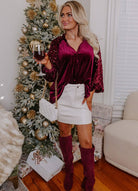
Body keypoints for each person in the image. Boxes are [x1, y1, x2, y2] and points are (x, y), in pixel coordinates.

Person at [40, 1, 104, 190]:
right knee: (65, 133)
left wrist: (91, 94)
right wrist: (46, 63)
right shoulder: (57, 44)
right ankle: (69, 170)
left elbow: (97, 69)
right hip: (63, 95)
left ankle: (89, 179)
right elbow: (52, 75)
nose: (65, 19)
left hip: (82, 96)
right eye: (62, 15)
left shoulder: (91, 41)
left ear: (78, 16)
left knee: (86, 141)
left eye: (69, 14)